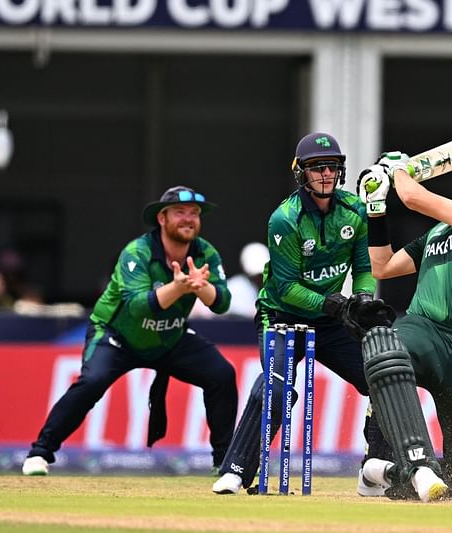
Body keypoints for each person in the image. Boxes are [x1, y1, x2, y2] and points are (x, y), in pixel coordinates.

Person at [211, 132, 393, 496]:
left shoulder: (354, 210)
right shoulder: (285, 219)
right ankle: (235, 470)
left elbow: (363, 267)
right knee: (277, 388)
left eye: (332, 167)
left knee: (382, 380)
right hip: (280, 316)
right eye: (316, 168)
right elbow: (286, 287)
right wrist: (333, 303)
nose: (325, 174)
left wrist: (361, 298)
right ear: (301, 173)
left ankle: (373, 471)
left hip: (329, 320)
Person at [21, 186, 238, 476]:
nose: (189, 219)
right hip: (117, 336)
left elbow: (222, 303)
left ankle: (224, 463)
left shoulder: (205, 252)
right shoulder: (137, 252)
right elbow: (137, 307)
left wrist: (202, 287)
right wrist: (179, 287)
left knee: (222, 375)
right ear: (162, 218)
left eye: (194, 214)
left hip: (169, 337)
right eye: (180, 212)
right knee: (92, 381)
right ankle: (40, 453)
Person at [354, 143, 452, 502]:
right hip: (424, 328)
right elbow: (383, 267)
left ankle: (393, 474)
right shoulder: (435, 233)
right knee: (389, 348)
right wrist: (376, 209)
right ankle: (389, 460)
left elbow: (412, 198)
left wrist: (397, 170)